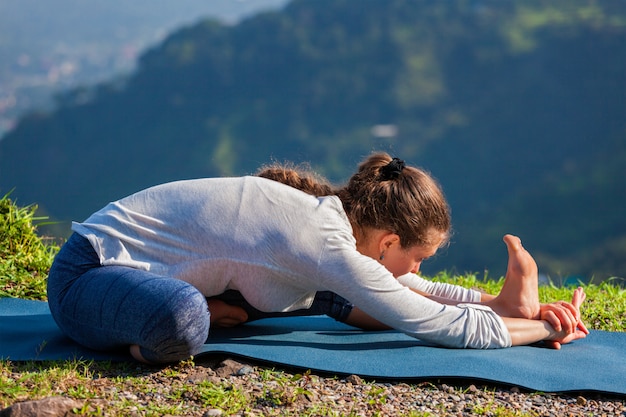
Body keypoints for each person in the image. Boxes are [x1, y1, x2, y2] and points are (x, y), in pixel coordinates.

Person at [47, 152, 588, 364]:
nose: (419, 271)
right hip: (89, 275)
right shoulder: (323, 240)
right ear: (386, 244)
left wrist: (498, 305)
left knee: (322, 295)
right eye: (418, 258)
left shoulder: (331, 225)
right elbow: (427, 321)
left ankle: (200, 307)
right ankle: (162, 330)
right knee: (183, 319)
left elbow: (403, 293)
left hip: (151, 276)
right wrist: (541, 331)